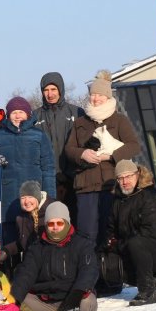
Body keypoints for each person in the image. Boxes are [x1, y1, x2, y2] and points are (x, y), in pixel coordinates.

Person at [64, 70, 141, 246]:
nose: (96, 98)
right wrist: (82, 154)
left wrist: (111, 156)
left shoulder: (120, 120)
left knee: (110, 232)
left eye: (100, 95)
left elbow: (134, 146)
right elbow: (68, 149)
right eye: (93, 95)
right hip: (86, 186)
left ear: (108, 97)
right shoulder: (80, 123)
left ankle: (110, 270)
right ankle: (89, 271)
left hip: (111, 185)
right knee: (86, 236)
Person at [10, 202, 99, 311]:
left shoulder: (82, 244)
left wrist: (76, 295)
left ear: (67, 223)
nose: (55, 227)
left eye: (60, 223)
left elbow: (89, 271)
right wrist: (15, 299)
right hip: (45, 302)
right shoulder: (37, 247)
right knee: (14, 297)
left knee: (88, 302)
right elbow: (26, 274)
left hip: (72, 301)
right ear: (46, 225)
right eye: (51, 224)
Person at [0, 96, 56, 245]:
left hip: (33, 194)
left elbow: (48, 167)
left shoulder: (39, 135)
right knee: (9, 241)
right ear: (8, 115)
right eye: (14, 112)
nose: (17, 116)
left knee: (34, 240)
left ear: (28, 114)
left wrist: (50, 200)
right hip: (8, 195)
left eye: (21, 112)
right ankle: (9, 267)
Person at [105, 160, 156, 306]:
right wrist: (108, 244)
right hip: (130, 248)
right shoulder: (117, 201)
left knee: (136, 243)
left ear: (137, 175)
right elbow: (110, 230)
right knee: (102, 257)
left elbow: (152, 232)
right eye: (121, 178)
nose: (125, 181)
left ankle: (147, 292)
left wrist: (119, 244)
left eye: (128, 176)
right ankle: (104, 288)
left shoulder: (151, 196)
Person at [34, 72, 83, 214]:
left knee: (74, 217)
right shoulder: (35, 116)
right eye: (46, 90)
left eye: (53, 89)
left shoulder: (77, 112)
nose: (50, 94)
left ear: (60, 89)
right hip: (48, 179)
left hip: (73, 177)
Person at [0, 180, 51, 272]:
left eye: (30, 197)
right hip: (31, 263)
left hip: (49, 263)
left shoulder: (50, 212)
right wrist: (5, 251)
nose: (26, 201)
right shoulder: (21, 218)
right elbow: (23, 243)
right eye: (23, 198)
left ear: (37, 198)